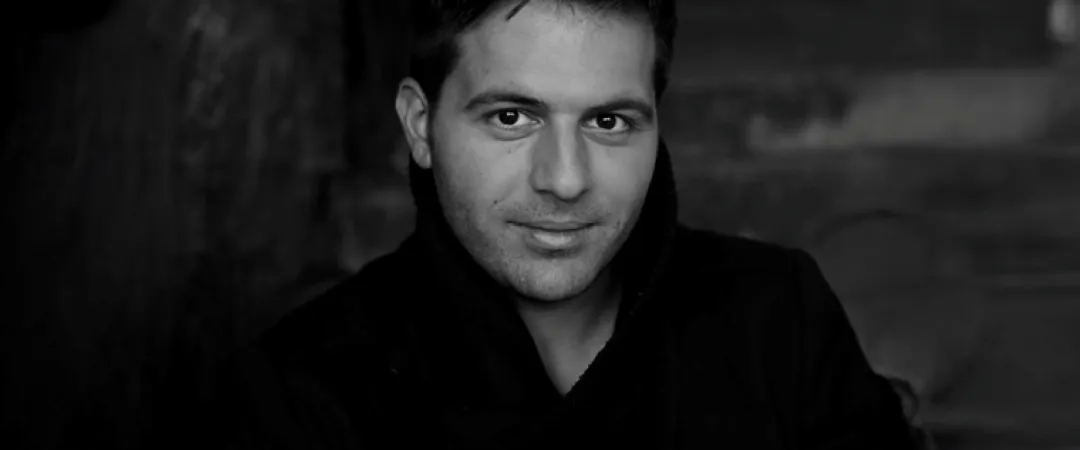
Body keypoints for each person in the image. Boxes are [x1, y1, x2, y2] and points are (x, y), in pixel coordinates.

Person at [204, 0, 918, 448]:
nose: (566, 179)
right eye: (511, 117)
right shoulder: (298, 398)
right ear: (421, 126)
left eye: (609, 121)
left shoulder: (777, 319)